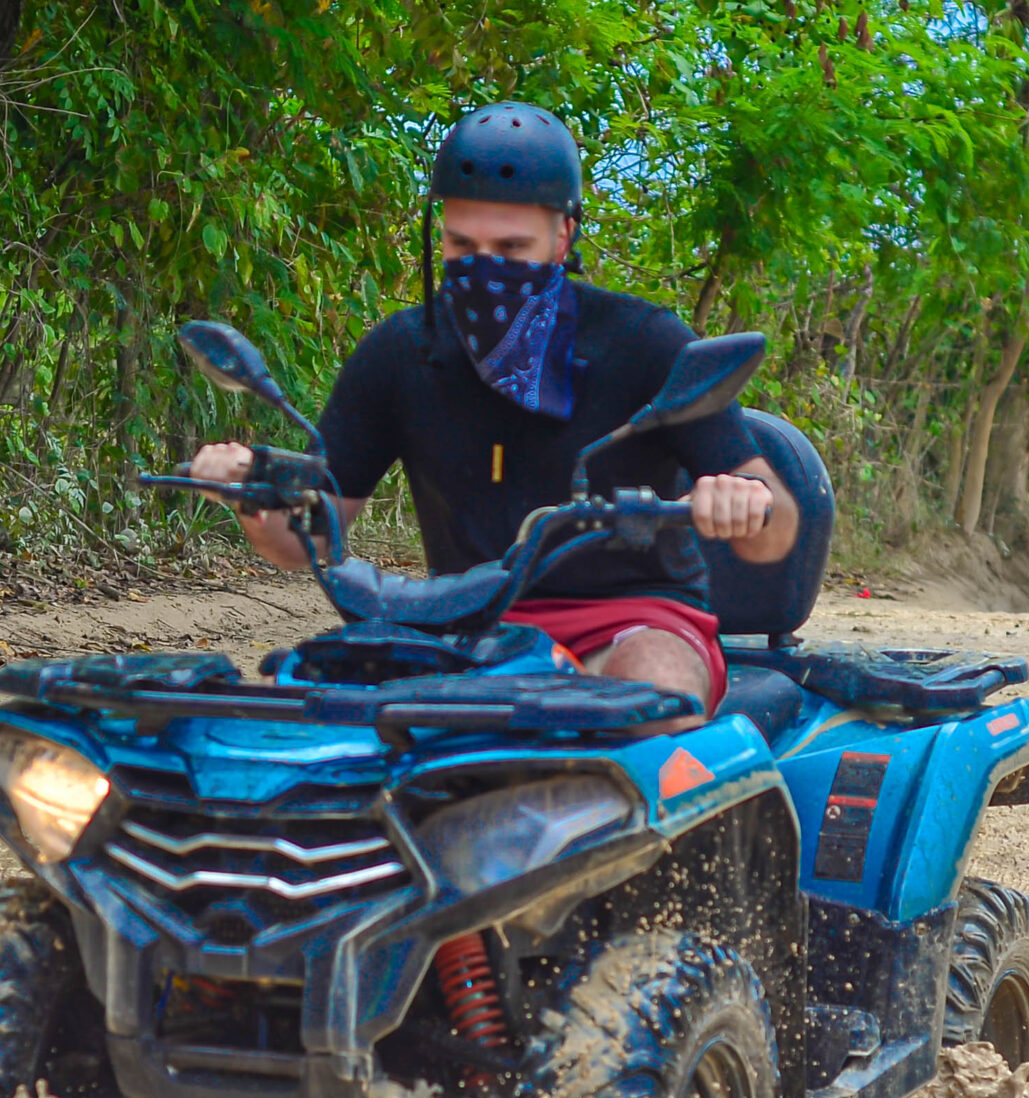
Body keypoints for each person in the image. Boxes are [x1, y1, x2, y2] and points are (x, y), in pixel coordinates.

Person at [185, 103, 800, 716]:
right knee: (278, 706)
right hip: (458, 623)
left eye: (511, 246)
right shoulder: (402, 352)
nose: (485, 267)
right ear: (439, 235)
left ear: (564, 235)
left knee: (646, 693)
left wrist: (742, 500)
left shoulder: (645, 342)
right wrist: (250, 497)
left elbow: (777, 533)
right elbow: (306, 541)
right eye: (463, 244)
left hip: (632, 620)